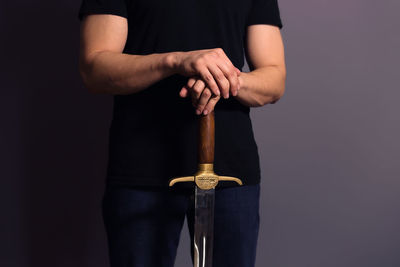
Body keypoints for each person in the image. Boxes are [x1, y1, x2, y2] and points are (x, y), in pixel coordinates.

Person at [77, 0, 286, 266]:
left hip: (230, 171)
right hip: (142, 168)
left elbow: (274, 78)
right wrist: (177, 61)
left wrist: (220, 78)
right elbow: (94, 68)